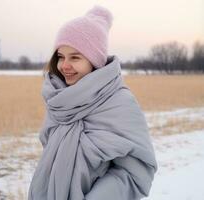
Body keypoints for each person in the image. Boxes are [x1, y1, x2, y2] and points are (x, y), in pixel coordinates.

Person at [28, 5, 158, 200]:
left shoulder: (119, 103)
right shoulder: (59, 100)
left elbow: (136, 173)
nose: (64, 65)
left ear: (94, 61)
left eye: (75, 57)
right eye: (61, 56)